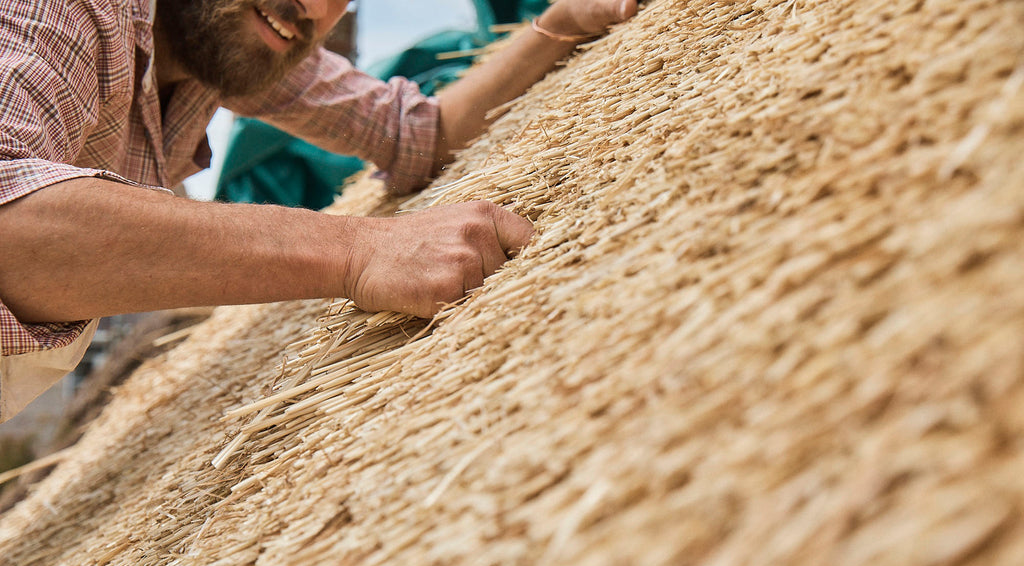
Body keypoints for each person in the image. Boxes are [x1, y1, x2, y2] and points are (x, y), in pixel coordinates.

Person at [0, 0, 637, 422]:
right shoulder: (62, 11)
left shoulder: (231, 39)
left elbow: (416, 134)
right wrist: (361, 250)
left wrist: (563, 23)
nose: (312, 8)